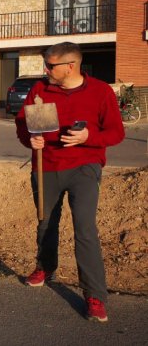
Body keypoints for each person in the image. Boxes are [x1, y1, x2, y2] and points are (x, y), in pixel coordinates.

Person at [15, 42, 124, 322]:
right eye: (46, 65)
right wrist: (31, 138)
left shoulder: (100, 91)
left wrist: (90, 138)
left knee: (84, 229)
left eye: (51, 66)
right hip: (46, 166)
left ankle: (95, 295)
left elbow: (116, 133)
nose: (46, 70)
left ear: (70, 66)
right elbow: (22, 123)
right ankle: (46, 267)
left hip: (84, 168)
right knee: (45, 222)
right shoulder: (40, 90)